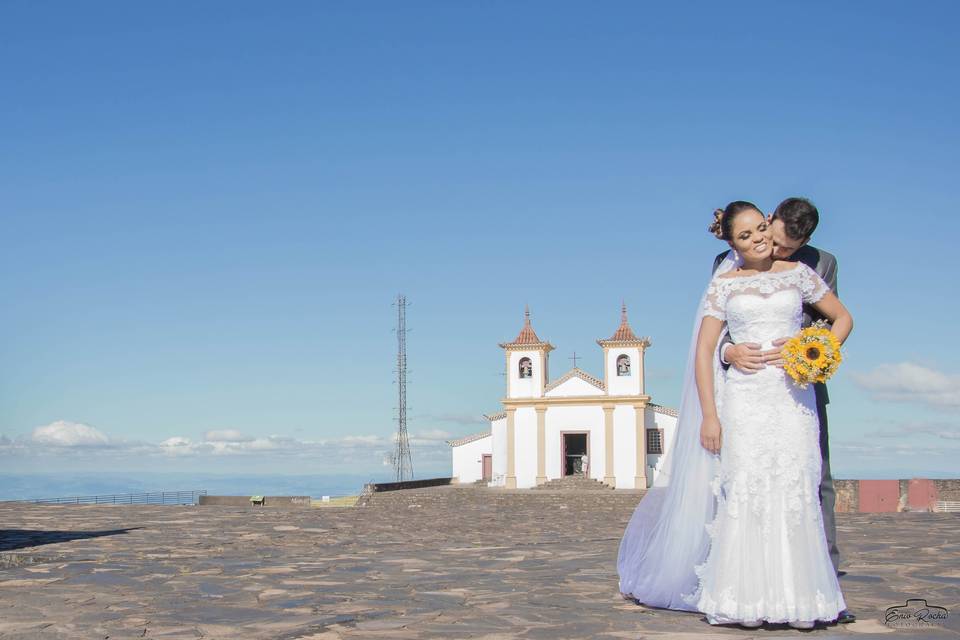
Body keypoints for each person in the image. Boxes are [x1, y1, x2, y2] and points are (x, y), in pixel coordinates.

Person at [617, 201, 853, 630]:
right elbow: (704, 350)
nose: (760, 238)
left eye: (762, 228)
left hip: (793, 399)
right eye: (746, 235)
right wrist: (711, 415)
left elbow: (842, 319)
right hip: (744, 400)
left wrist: (815, 356)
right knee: (745, 491)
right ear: (732, 243)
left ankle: (801, 596)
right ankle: (742, 596)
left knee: (796, 490)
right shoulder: (724, 284)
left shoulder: (802, 274)